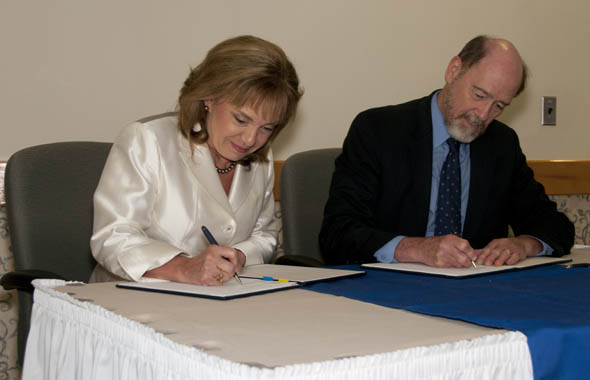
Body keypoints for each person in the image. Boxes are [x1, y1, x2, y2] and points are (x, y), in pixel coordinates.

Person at [320, 35, 574, 267]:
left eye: (498, 106)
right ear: (454, 70)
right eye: (479, 95)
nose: (483, 115)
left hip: (473, 294)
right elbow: (339, 232)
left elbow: (555, 226)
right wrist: (415, 249)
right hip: (388, 292)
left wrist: (523, 244)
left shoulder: (501, 145)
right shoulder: (378, 131)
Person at [91, 35, 303, 285]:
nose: (250, 139)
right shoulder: (148, 140)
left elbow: (265, 235)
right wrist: (183, 268)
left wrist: (240, 256)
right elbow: (112, 237)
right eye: (241, 119)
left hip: (221, 301)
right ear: (209, 98)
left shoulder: (261, 157)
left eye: (266, 128)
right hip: (131, 301)